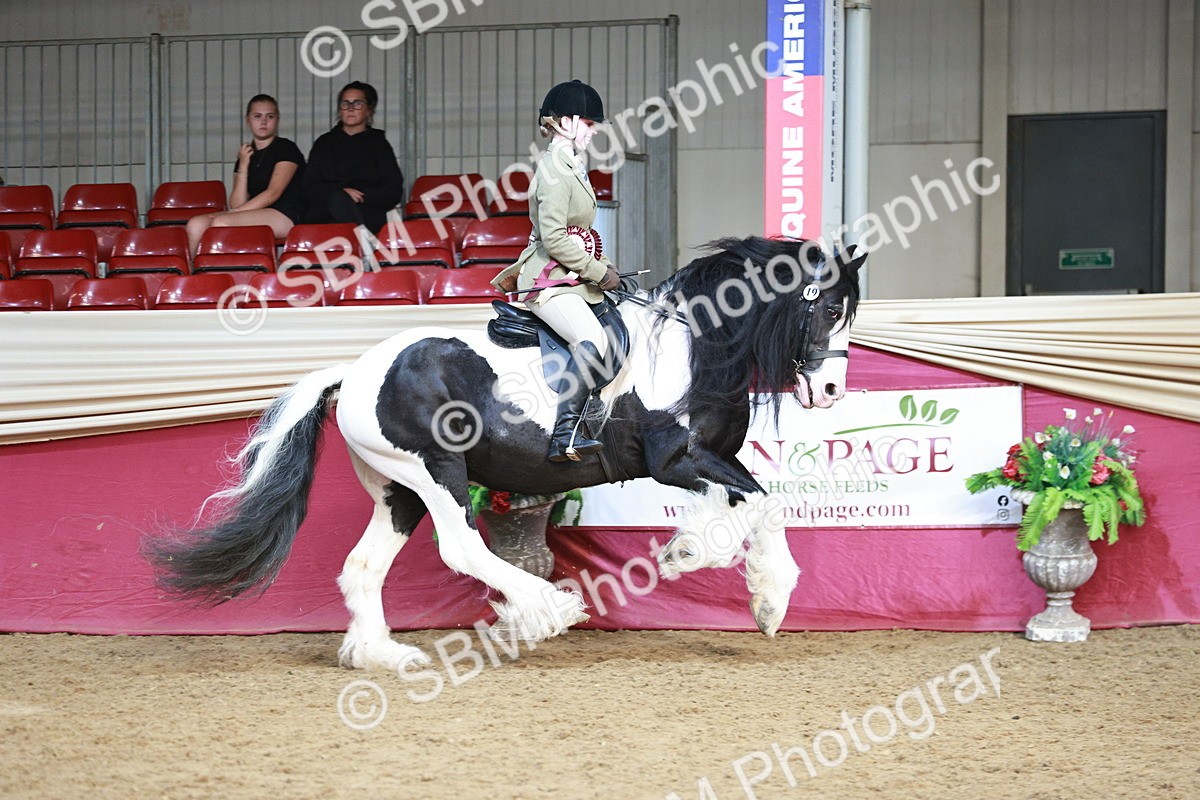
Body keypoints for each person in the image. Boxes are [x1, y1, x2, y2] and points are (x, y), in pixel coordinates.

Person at [492, 79, 621, 463]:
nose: (595, 130)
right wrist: (597, 272)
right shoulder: (553, 168)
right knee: (592, 339)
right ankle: (566, 435)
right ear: (566, 122)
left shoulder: (572, 165)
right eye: (590, 123)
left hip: (569, 277)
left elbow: (577, 232)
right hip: (547, 280)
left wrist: (603, 265)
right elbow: (554, 237)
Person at [186, 94, 306, 256]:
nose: (263, 122)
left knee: (222, 222)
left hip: (285, 213)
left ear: (277, 120)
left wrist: (234, 213)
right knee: (196, 224)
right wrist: (243, 164)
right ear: (248, 120)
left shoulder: (286, 148)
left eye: (269, 116)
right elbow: (237, 203)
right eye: (257, 116)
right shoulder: (245, 154)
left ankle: (216, 272)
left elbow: (273, 194)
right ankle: (194, 274)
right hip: (250, 212)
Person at [302, 81, 405, 233]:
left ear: (369, 110)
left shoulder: (378, 144)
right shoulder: (324, 143)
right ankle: (365, 246)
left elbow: (393, 190)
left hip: (367, 209)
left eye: (357, 103)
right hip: (326, 211)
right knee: (337, 200)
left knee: (343, 215)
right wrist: (342, 193)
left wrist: (360, 195)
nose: (350, 109)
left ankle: (362, 243)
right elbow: (308, 188)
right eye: (345, 103)